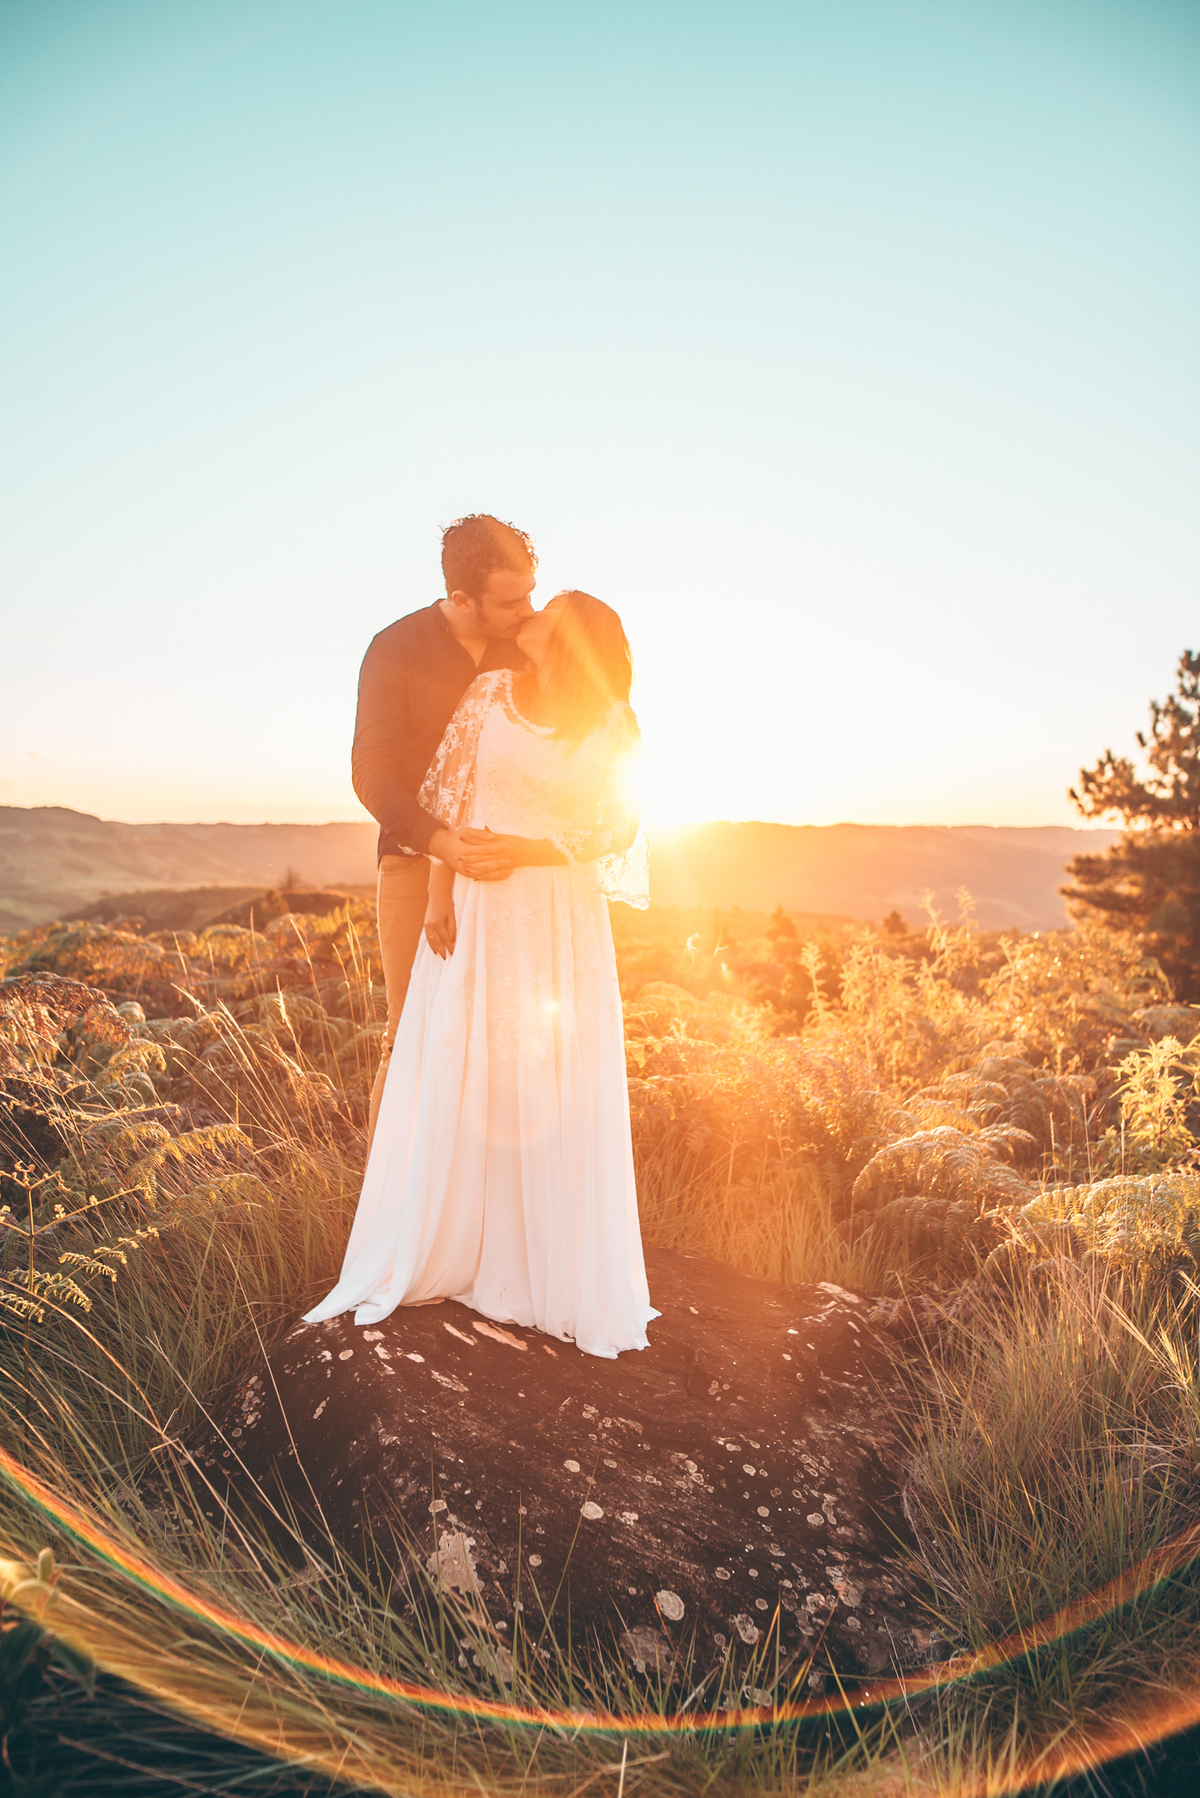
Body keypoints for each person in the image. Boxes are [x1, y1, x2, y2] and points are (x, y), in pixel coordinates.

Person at [305, 591, 657, 1359]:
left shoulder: (610, 721)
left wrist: (530, 852)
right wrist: (439, 891)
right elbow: (448, 794)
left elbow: (617, 825)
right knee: (465, 1059)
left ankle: (540, 1268)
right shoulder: (491, 691)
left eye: (545, 609)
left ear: (567, 640)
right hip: (474, 899)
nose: (528, 612)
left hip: (555, 909)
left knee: (545, 1071)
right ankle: (456, 1244)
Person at [352, 514, 538, 1148]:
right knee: (411, 1036)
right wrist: (440, 844)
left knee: (507, 1042)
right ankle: (385, 1222)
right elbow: (372, 776)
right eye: (512, 601)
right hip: (413, 864)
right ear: (462, 599)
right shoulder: (396, 648)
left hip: (518, 872)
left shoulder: (533, 646)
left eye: (531, 592)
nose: (528, 610)